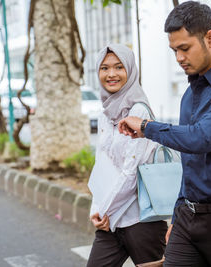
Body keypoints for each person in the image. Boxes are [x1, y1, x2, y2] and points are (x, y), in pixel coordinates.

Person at [118, 2, 211, 266]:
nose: (179, 58)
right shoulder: (189, 95)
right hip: (188, 219)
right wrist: (177, 215)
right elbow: (191, 166)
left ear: (210, 38)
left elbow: (201, 139)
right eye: (174, 51)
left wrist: (147, 127)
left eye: (185, 48)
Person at [87, 43, 167, 267]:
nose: (111, 74)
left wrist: (105, 209)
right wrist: (97, 209)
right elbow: (101, 165)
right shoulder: (105, 113)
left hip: (141, 221)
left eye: (119, 67)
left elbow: (131, 173)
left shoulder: (138, 112)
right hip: (110, 222)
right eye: (104, 68)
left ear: (130, 70)